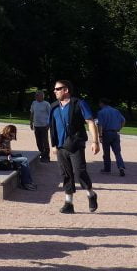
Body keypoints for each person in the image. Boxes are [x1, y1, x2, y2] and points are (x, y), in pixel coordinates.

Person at [50, 79, 100, 214]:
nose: (55, 91)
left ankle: (91, 194)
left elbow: (90, 122)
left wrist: (95, 142)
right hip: (60, 147)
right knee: (65, 174)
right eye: (55, 89)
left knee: (79, 172)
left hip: (76, 144)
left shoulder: (79, 103)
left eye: (58, 89)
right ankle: (69, 203)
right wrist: (53, 144)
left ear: (66, 90)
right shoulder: (54, 106)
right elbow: (53, 127)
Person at [0, 124, 37, 190]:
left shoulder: (8, 137)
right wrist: (3, 150)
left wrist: (9, 152)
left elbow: (9, 150)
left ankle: (25, 181)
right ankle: (26, 183)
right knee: (24, 160)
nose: (11, 137)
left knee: (20, 157)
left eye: (13, 135)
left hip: (6, 157)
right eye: (11, 135)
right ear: (7, 132)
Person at [96, 98, 127, 176]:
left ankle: (107, 168)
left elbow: (100, 125)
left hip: (106, 133)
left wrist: (100, 136)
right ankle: (121, 167)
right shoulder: (116, 111)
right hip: (115, 133)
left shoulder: (101, 112)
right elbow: (123, 120)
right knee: (117, 152)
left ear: (102, 103)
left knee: (106, 152)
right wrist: (119, 128)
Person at [29, 90, 52, 162]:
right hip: (36, 125)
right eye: (35, 95)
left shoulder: (46, 104)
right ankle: (41, 154)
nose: (36, 96)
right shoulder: (34, 103)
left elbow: (51, 115)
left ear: (42, 96)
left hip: (44, 125)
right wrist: (31, 122)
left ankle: (47, 157)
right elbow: (32, 113)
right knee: (38, 141)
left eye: (37, 95)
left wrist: (49, 124)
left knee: (45, 141)